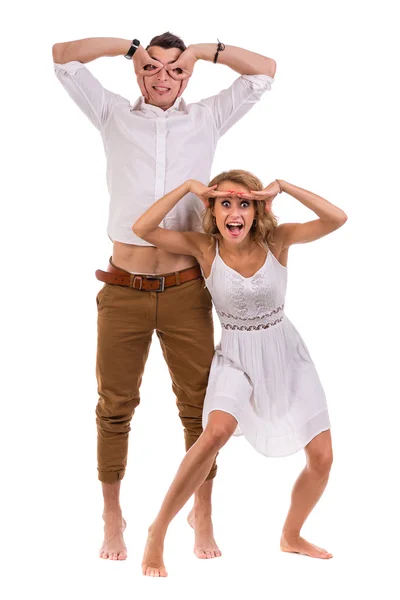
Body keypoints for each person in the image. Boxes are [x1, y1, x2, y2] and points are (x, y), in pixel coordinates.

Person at [52, 32, 276, 561]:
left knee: (199, 409)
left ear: (189, 75)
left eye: (175, 71)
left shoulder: (208, 117)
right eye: (153, 69)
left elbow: (265, 70)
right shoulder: (112, 113)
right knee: (114, 407)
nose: (163, 79)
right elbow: (61, 57)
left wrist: (203, 51)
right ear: (139, 72)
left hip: (185, 291)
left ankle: (203, 512)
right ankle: (112, 515)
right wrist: (130, 49)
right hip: (123, 289)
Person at [132, 169, 347, 576]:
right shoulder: (204, 248)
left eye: (244, 203)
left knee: (322, 458)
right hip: (235, 357)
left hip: (286, 354)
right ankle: (158, 530)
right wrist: (189, 189)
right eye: (225, 203)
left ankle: (291, 535)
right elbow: (143, 228)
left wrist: (282, 186)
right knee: (213, 434)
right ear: (212, 211)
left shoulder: (276, 241)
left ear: (257, 209)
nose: (235, 212)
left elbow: (337, 219)